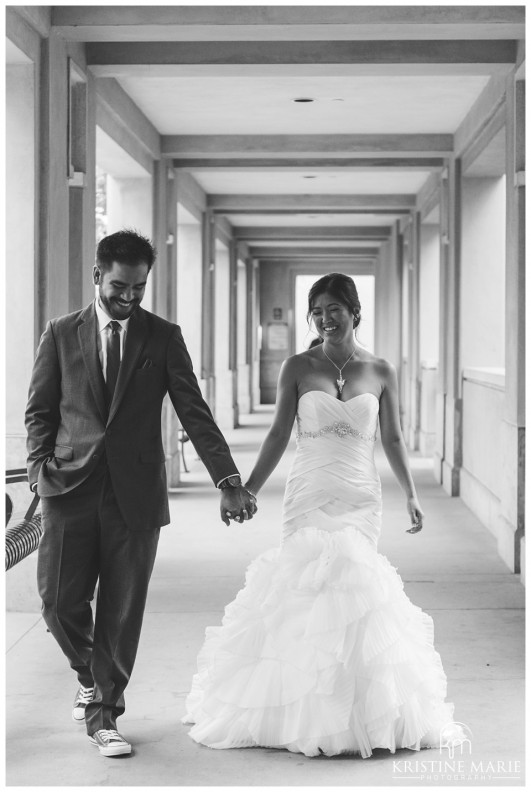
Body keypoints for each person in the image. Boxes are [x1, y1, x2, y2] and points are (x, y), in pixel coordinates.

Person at [182, 272, 459, 758]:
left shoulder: (380, 370)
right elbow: (276, 435)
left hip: (359, 494)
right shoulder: (297, 366)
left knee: (355, 587)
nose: (325, 319)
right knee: (304, 587)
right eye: (317, 311)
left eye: (334, 309)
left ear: (355, 312)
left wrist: (412, 495)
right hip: (308, 489)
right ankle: (297, 709)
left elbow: (392, 439)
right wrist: (247, 488)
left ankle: (355, 712)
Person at [25, 229, 256, 757]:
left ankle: (105, 713)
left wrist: (228, 480)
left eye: (139, 289)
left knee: (122, 609)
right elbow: (40, 409)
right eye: (120, 287)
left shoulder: (162, 336)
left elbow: (194, 411)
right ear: (97, 277)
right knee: (57, 603)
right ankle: (90, 673)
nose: (128, 298)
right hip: (69, 488)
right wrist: (40, 467)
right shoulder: (60, 333)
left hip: (136, 494)